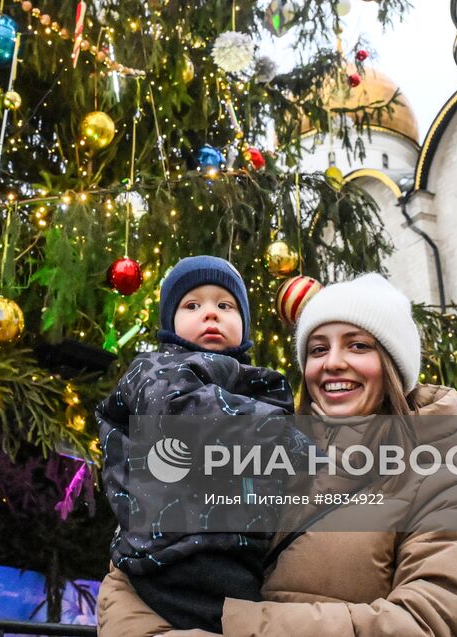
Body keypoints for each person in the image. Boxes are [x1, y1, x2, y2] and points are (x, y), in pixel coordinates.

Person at [96, 273, 457, 637]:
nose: (333, 363)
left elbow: (454, 620)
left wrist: (244, 624)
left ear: (392, 366)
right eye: (317, 349)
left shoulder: (439, 485)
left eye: (358, 345)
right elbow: (128, 583)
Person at [95, 255, 309, 634]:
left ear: (243, 324)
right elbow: (183, 415)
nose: (210, 314)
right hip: (172, 551)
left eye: (225, 306)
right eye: (192, 305)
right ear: (169, 324)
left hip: (242, 547)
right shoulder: (157, 370)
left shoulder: (260, 383)